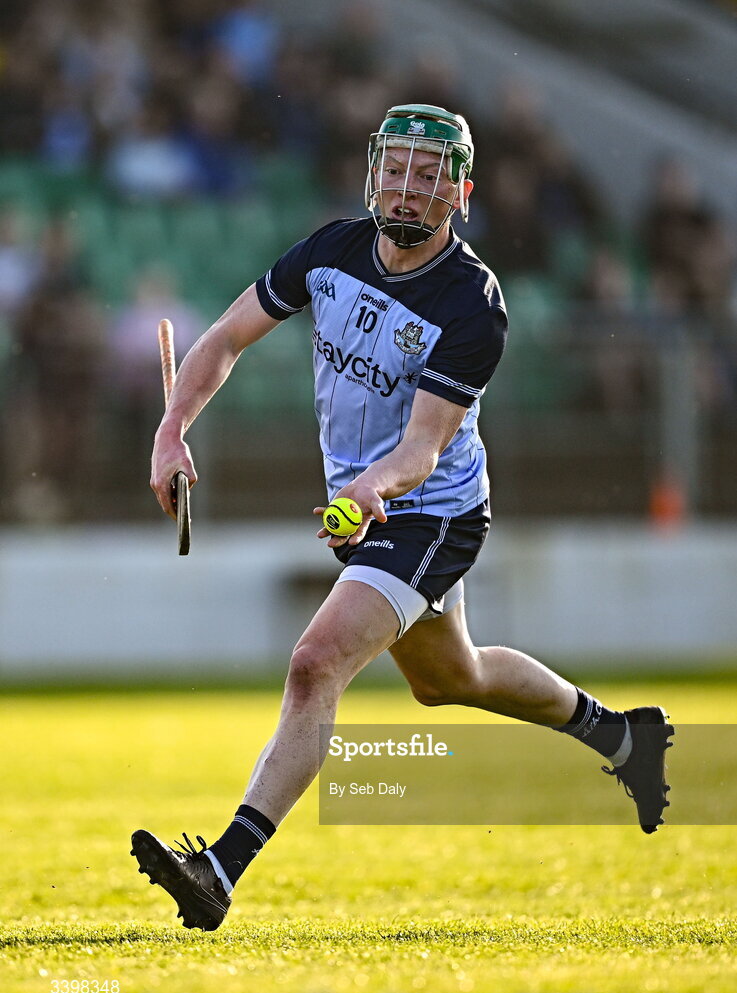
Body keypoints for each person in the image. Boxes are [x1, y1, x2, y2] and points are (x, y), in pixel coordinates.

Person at [132, 104, 674, 931]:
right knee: (449, 680)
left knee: (315, 663)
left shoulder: (472, 302)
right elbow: (224, 338)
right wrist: (172, 430)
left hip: (430, 513)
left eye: (428, 175)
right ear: (373, 170)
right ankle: (626, 738)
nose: (407, 188)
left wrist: (367, 493)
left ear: (459, 191)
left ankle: (220, 869)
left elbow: (422, 448)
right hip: (372, 506)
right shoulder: (331, 250)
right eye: (396, 168)